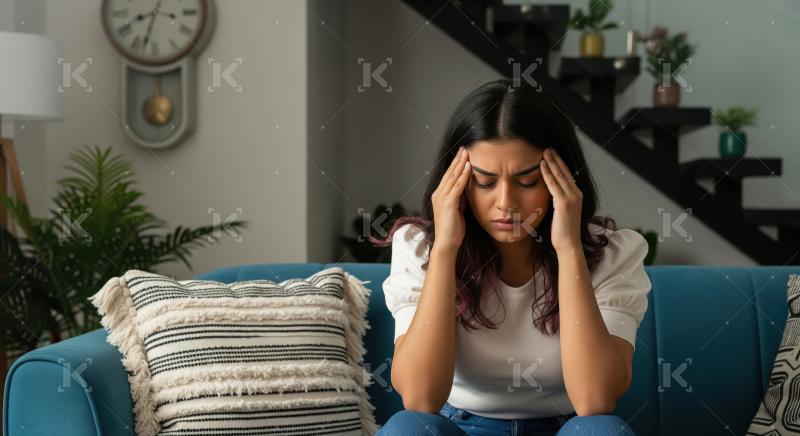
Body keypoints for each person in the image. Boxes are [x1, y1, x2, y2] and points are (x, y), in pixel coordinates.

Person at [369, 79, 650, 435]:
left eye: (528, 181)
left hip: (565, 428)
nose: (505, 203)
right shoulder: (420, 248)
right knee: (407, 428)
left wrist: (569, 249)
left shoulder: (614, 253)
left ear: (562, 179)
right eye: (485, 182)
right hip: (463, 426)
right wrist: (444, 250)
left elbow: (595, 401)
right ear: (457, 182)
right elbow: (420, 398)